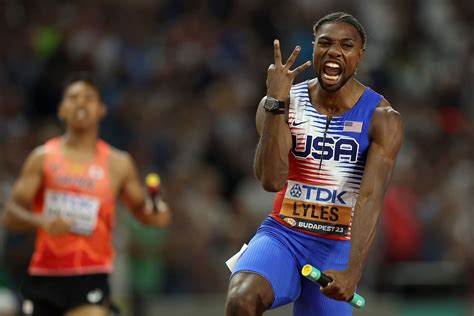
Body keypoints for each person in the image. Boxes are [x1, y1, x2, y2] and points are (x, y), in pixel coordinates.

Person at [225, 12, 403, 316]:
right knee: (242, 299)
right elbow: (271, 180)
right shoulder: (284, 102)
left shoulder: (382, 118)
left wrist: (354, 270)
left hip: (336, 246)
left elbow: (370, 199)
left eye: (346, 45)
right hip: (283, 234)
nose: (334, 51)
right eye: (326, 43)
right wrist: (276, 105)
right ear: (314, 49)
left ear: (360, 56)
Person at [2, 73, 171, 316]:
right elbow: (10, 214)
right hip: (46, 275)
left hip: (91, 274)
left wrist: (157, 210)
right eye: (73, 98)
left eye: (89, 98)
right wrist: (41, 222)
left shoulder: (118, 163)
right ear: (62, 109)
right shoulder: (42, 159)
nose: (81, 103)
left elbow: (146, 214)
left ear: (101, 109)